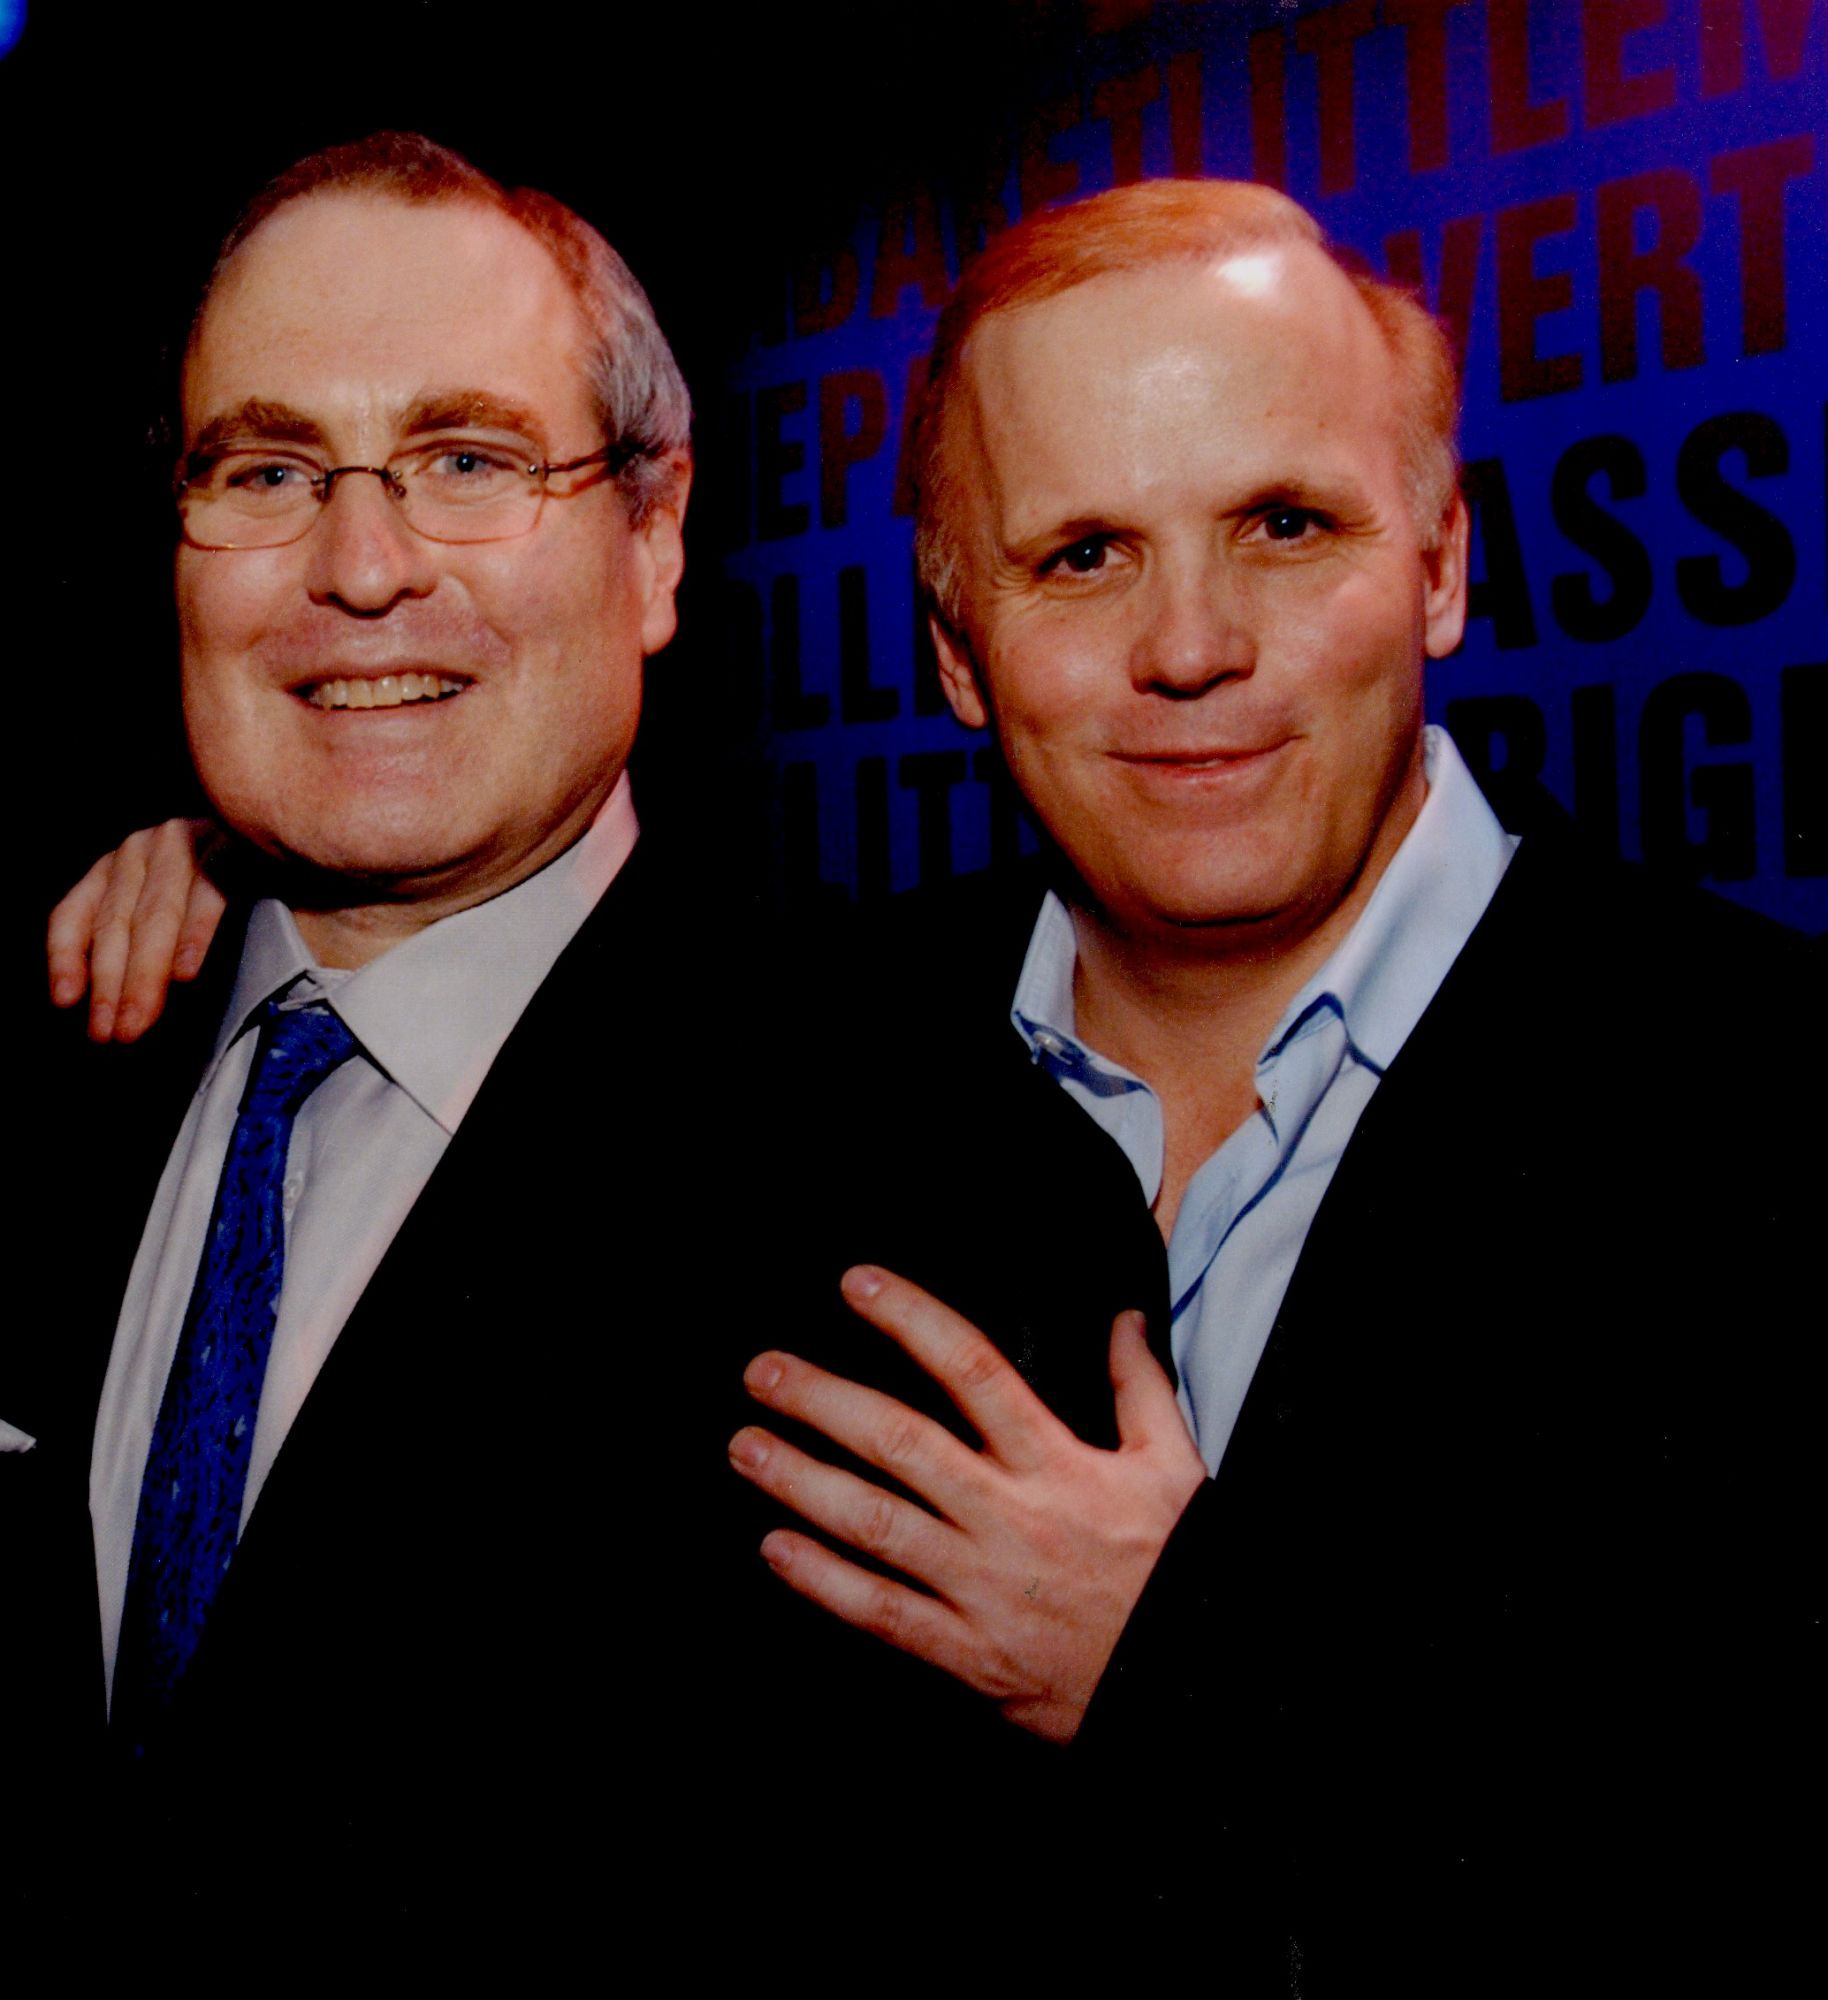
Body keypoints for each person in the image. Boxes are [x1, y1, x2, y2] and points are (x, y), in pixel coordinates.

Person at [43, 176, 1821, 1981]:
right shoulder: (850, 1044)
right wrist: (252, 847)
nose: (1191, 644)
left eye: (1285, 524)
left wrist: (1181, 1672)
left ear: (1442, 564)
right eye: (1081, 555)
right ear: (959, 647)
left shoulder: (1767, 1117)